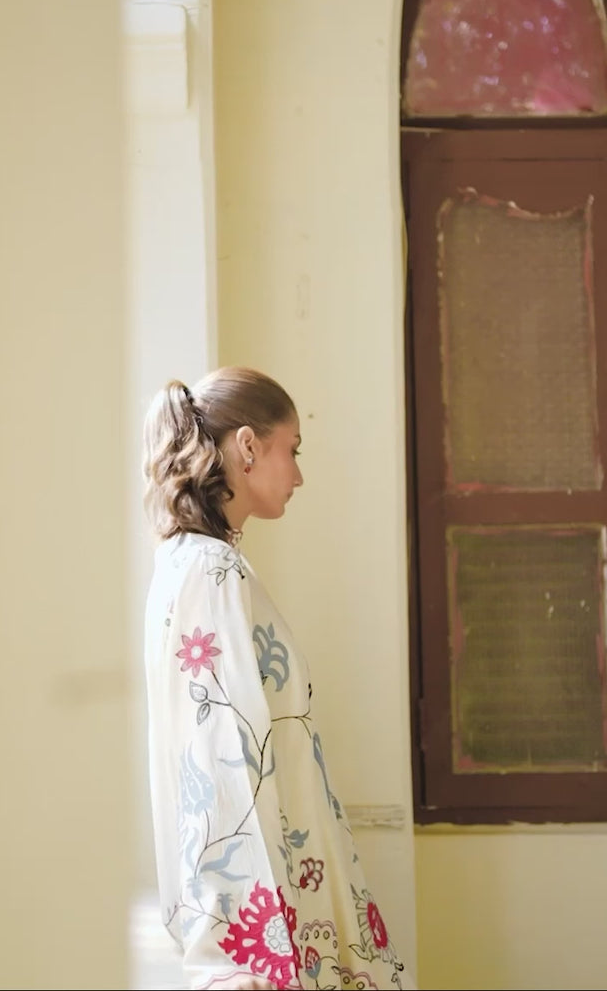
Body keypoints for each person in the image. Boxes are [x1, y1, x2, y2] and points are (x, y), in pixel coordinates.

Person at [142, 367, 417, 991]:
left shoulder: (201, 565)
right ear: (247, 445)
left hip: (291, 877)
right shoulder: (209, 572)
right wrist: (238, 953)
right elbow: (218, 761)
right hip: (264, 915)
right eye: (291, 450)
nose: (298, 475)